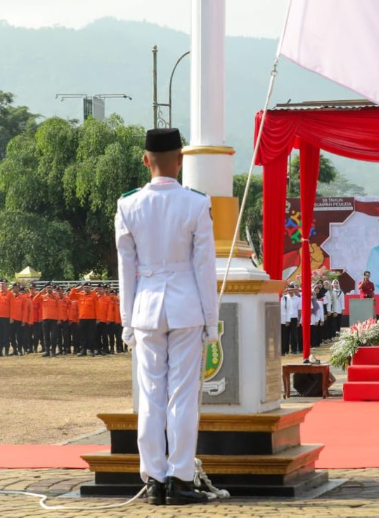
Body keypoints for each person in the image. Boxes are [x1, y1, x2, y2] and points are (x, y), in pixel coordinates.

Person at [115, 127, 218, 506]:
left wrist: (127, 319)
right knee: (182, 395)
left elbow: (126, 269)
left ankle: (155, 478)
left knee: (150, 395)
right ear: (181, 160)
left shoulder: (128, 204)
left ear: (146, 160)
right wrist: (211, 319)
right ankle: (180, 477)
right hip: (186, 304)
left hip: (145, 307)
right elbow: (204, 266)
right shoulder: (195, 202)